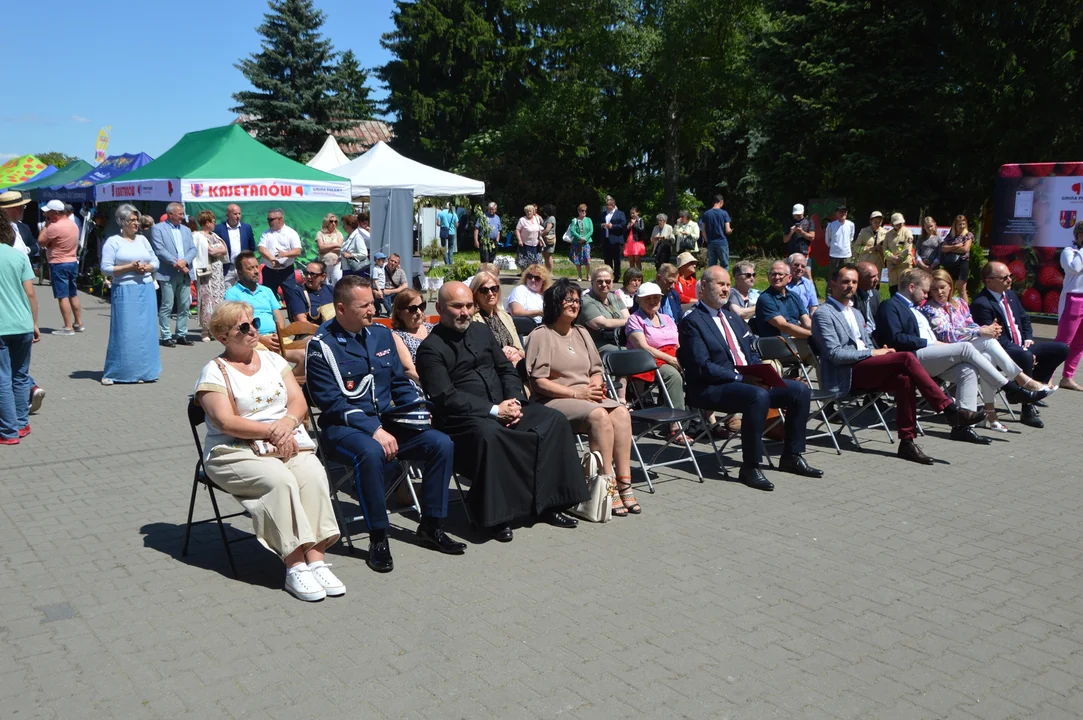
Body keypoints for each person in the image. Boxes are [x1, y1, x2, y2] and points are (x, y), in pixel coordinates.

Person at [305, 277, 465, 572]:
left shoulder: (380, 334)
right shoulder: (322, 347)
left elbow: (398, 382)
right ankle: (378, 536)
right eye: (364, 305)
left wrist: (416, 411)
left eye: (372, 303)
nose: (372, 309)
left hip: (385, 423)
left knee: (440, 443)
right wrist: (374, 431)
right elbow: (331, 402)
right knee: (371, 453)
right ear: (341, 309)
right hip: (344, 429)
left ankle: (431, 526)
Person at [415, 282, 589, 541]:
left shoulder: (481, 332)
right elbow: (446, 398)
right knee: (492, 435)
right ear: (439, 308)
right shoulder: (431, 348)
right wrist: (495, 411)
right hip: (463, 422)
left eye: (468, 306)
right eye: (456, 306)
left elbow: (506, 369)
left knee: (553, 420)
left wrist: (514, 401)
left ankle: (551, 505)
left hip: (506, 405)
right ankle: (497, 518)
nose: (464, 311)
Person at [194, 302, 342, 601]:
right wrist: (272, 432)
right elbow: (225, 421)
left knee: (312, 473)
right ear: (223, 337)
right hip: (232, 450)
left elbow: (298, 401)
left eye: (255, 323)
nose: (253, 331)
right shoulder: (214, 371)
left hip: (283, 440)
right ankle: (294, 564)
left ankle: (316, 558)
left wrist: (286, 424)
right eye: (243, 327)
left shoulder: (272, 360)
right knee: (280, 481)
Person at [812, 264, 987, 464]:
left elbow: (868, 343)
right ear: (832, 284)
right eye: (845, 282)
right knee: (906, 358)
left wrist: (881, 352)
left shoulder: (856, 313)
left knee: (904, 379)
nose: (850, 286)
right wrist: (873, 352)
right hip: (845, 374)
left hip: (867, 367)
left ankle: (907, 442)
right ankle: (949, 410)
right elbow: (835, 355)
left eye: (853, 282)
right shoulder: (823, 314)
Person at [679, 266, 821, 490]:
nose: (726, 289)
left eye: (728, 285)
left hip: (747, 381)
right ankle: (750, 466)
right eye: (720, 284)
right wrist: (740, 378)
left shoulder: (733, 318)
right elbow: (702, 366)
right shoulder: (692, 321)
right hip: (711, 387)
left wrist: (759, 372)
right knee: (757, 396)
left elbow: (751, 352)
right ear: (704, 287)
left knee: (799, 390)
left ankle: (791, 457)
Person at [878, 267, 1050, 443]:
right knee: (965, 348)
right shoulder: (890, 306)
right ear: (912, 287)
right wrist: (932, 343)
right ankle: (1011, 388)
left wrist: (939, 345)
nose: (926, 295)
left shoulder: (915, 308)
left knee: (967, 370)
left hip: (931, 356)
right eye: (925, 291)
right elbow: (896, 338)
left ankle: (963, 426)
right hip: (911, 359)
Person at [527, 279, 639, 517]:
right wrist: (578, 393)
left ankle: (624, 483)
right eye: (569, 300)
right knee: (599, 416)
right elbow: (539, 381)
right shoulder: (542, 334)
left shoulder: (581, 332)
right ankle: (605, 486)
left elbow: (597, 370)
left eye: (577, 300)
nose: (575, 304)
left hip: (587, 396)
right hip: (554, 398)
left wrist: (595, 387)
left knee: (620, 412)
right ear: (555, 303)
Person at [921, 269, 1055, 431]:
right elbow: (946, 334)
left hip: (969, 349)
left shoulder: (960, 303)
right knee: (987, 340)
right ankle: (1024, 381)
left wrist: (986, 328)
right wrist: (981, 332)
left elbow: (970, 324)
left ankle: (991, 415)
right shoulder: (929, 308)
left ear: (950, 286)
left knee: (987, 356)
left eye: (942, 287)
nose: (939, 292)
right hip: (947, 352)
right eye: (934, 289)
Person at [972, 262, 1070, 429]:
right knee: (1025, 356)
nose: (1010, 280)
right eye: (1004, 277)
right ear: (989, 281)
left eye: (1010, 276)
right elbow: (995, 339)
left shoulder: (1010, 295)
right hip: (1002, 352)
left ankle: (1035, 393)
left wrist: (1029, 338)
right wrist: (1022, 350)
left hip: (1022, 345)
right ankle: (1027, 407)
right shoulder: (982, 303)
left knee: (1061, 349)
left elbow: (1024, 319)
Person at [99, 204, 161, 385]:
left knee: (146, 331)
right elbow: (106, 268)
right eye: (131, 220)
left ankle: (145, 371)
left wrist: (148, 267)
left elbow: (155, 260)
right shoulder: (113, 242)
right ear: (122, 222)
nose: (136, 224)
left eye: (137, 220)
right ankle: (118, 372)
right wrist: (130, 267)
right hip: (125, 289)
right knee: (126, 331)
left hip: (146, 287)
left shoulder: (142, 240)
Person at [626, 281, 687, 440]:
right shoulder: (635, 319)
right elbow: (643, 347)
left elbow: (677, 342)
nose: (653, 301)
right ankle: (676, 425)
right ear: (639, 300)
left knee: (698, 369)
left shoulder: (667, 318)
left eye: (656, 298)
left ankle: (703, 420)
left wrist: (681, 357)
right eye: (648, 298)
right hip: (647, 360)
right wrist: (671, 359)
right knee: (673, 375)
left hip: (672, 355)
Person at [1, 192, 44, 414]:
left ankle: (14, 420)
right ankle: (26, 397)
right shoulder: (9, 230)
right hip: (12, 304)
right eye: (21, 207)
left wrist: (33, 320)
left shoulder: (20, 229)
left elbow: (34, 249)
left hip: (16, 307)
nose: (24, 211)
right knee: (11, 369)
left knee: (9, 369)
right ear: (12, 209)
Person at [0, 220, 38, 444]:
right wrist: (34, 322)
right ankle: (22, 424)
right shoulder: (18, 256)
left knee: (3, 378)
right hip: (23, 324)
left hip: (2, 326)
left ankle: (8, 430)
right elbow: (31, 293)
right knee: (21, 376)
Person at [223, 251, 288, 357]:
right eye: (250, 268)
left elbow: (278, 315)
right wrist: (261, 339)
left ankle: (287, 374)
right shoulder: (232, 294)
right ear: (239, 272)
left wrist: (278, 334)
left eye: (256, 267)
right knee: (270, 359)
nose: (256, 271)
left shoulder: (267, 291)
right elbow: (236, 323)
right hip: (250, 339)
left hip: (275, 337)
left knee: (304, 354)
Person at [149, 202, 196, 347]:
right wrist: (176, 263)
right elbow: (159, 250)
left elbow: (193, 249)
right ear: (170, 214)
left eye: (183, 213)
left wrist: (185, 262)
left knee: (184, 304)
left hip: (185, 272)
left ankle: (181, 334)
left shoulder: (186, 230)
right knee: (167, 305)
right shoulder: (158, 229)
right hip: (168, 273)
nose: (183, 216)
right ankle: (166, 335)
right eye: (180, 213)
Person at [37, 199, 84, 336]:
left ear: (56, 213)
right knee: (73, 293)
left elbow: (40, 242)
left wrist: (46, 225)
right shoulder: (73, 225)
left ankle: (68, 327)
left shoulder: (54, 227)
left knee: (62, 295)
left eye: (49, 213)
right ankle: (78, 323)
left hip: (58, 263)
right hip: (72, 261)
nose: (47, 215)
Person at [470, 271, 524, 364]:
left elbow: (522, 351)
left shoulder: (505, 316)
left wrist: (514, 350)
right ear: (475, 294)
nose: (490, 293)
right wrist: (501, 354)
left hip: (514, 365)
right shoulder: (472, 320)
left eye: (494, 288)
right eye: (484, 290)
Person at [578, 265, 629, 354]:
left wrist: (629, 321)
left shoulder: (614, 298)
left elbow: (628, 317)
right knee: (629, 352)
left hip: (620, 339)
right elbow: (601, 323)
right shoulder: (586, 301)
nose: (604, 284)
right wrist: (627, 321)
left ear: (612, 282)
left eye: (608, 281)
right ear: (592, 282)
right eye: (600, 281)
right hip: (596, 344)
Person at [193, 211, 228, 342]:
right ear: (207, 222)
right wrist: (216, 249)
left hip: (217, 272)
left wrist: (217, 249)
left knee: (218, 299)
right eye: (213, 221)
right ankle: (205, 330)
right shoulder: (198, 236)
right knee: (206, 298)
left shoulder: (215, 235)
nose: (215, 224)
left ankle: (216, 329)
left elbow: (224, 249)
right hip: (206, 271)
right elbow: (210, 250)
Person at [755, 260, 811, 341]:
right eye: (773, 274)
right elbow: (783, 326)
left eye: (780, 274)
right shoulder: (765, 298)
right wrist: (812, 335)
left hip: (797, 340)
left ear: (789, 278)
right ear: (768, 277)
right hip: (777, 345)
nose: (777, 277)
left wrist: (819, 332)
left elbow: (807, 322)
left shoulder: (794, 296)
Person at [1057, 222, 1083, 391]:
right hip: (1073, 299)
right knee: (1063, 343)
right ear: (1079, 235)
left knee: (1080, 343)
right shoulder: (1069, 252)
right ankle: (1045, 376)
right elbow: (1075, 267)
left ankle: (1067, 377)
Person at [390, 288, 433, 383]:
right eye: (413, 309)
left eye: (421, 306)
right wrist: (432, 386)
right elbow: (409, 369)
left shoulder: (433, 329)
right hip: (420, 383)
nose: (419, 312)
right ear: (399, 314)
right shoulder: (396, 335)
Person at [257, 208, 301, 299]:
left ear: (280, 219)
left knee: (291, 298)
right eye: (268, 219)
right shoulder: (266, 233)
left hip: (286, 272)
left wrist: (284, 254)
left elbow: (297, 250)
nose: (269, 222)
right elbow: (261, 248)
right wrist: (272, 258)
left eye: (271, 219)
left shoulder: (291, 233)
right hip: (270, 271)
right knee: (268, 298)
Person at [213, 203, 255, 286]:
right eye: (235, 214)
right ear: (227, 215)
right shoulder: (218, 229)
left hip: (243, 266)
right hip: (227, 268)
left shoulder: (246, 228)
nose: (238, 216)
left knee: (244, 290)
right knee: (227, 293)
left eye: (239, 214)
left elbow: (251, 246)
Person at [939, 214, 973, 303]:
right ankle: (950, 307)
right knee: (950, 288)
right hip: (950, 264)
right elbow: (943, 248)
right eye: (959, 224)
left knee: (962, 289)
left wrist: (950, 248)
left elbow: (965, 249)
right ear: (955, 225)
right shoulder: (950, 235)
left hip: (962, 263)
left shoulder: (968, 235)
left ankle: (966, 311)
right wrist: (956, 246)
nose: (961, 226)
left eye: (963, 224)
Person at [884, 213, 915, 294]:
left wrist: (898, 259)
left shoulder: (907, 232)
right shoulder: (888, 234)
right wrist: (892, 257)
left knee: (905, 289)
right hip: (892, 268)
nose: (899, 225)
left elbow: (907, 249)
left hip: (904, 266)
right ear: (892, 224)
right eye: (897, 224)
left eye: (901, 223)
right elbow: (885, 249)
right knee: (893, 290)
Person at [700, 194, 733, 268]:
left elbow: (703, 231)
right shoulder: (724, 213)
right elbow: (727, 230)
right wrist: (730, 230)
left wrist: (707, 240)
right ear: (721, 202)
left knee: (712, 266)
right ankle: (724, 279)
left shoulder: (706, 214)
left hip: (711, 242)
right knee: (724, 265)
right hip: (722, 242)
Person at [599, 195, 627, 281]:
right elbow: (599, 223)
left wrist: (612, 226)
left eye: (608, 205)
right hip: (606, 239)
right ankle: (608, 275)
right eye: (606, 205)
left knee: (617, 259)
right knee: (607, 259)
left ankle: (617, 276)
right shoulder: (604, 214)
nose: (607, 206)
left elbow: (623, 225)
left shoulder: (620, 214)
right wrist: (602, 225)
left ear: (613, 205)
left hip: (616, 240)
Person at [315, 213, 343, 286]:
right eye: (331, 221)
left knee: (338, 282)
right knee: (324, 284)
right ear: (326, 222)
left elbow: (340, 248)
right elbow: (321, 248)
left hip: (336, 264)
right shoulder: (320, 233)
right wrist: (335, 244)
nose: (333, 223)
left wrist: (326, 247)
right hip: (324, 264)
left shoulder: (339, 234)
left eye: (335, 221)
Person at [853, 261, 881, 332]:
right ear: (860, 278)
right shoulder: (853, 296)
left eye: (877, 275)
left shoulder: (875, 294)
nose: (877, 279)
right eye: (873, 276)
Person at [825, 206, 854, 273]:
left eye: (844, 212)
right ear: (837, 214)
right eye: (840, 212)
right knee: (833, 275)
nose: (843, 214)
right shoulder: (831, 225)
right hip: (834, 255)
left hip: (846, 255)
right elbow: (827, 240)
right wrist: (834, 247)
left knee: (846, 274)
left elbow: (851, 238)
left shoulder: (851, 225)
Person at [568, 204, 593, 280]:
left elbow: (591, 230)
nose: (584, 212)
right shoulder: (574, 220)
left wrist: (585, 238)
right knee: (577, 259)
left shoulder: (588, 220)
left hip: (586, 242)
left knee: (587, 259)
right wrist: (579, 238)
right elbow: (572, 230)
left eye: (585, 210)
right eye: (582, 210)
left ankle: (588, 275)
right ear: (578, 211)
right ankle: (579, 275)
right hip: (577, 243)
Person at [515, 204, 544, 269]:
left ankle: (535, 276)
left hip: (536, 244)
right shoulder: (522, 220)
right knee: (525, 263)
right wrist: (520, 240)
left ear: (533, 211)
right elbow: (517, 230)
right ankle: (525, 276)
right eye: (527, 211)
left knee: (537, 263)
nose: (528, 213)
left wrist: (540, 240)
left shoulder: (536, 218)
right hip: (525, 244)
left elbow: (539, 230)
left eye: (530, 211)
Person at [624, 206, 647, 271]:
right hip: (629, 242)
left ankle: (639, 274)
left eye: (633, 213)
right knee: (631, 261)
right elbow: (625, 232)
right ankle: (631, 275)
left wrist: (635, 224)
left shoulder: (640, 220)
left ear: (637, 213)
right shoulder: (629, 220)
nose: (632, 215)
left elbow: (642, 230)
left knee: (637, 260)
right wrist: (628, 227)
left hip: (637, 241)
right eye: (631, 213)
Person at [539, 204, 557, 272]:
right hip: (545, 240)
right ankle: (547, 271)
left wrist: (540, 234)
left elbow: (547, 229)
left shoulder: (551, 218)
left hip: (549, 239)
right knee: (545, 256)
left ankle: (550, 272)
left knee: (548, 256)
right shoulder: (547, 218)